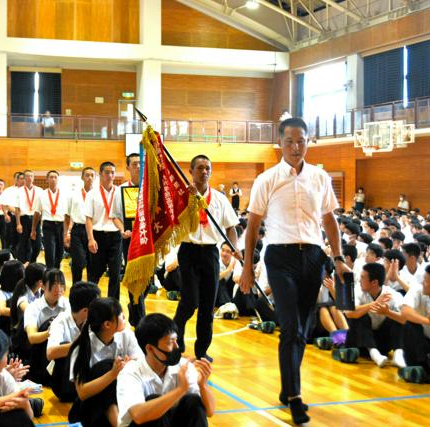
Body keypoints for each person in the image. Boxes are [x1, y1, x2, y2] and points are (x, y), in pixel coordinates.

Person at [239, 117, 349, 425]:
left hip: (313, 257)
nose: (296, 147)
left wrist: (337, 258)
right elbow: (253, 226)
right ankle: (296, 396)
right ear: (280, 145)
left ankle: (287, 387)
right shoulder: (267, 179)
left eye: (301, 141)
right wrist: (248, 266)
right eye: (290, 142)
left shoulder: (319, 178)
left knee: (302, 327)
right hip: (279, 257)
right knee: (289, 326)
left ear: (308, 142)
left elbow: (329, 222)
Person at [172, 154, 239, 362]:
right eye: (199, 168)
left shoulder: (219, 199)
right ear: (191, 172)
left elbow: (231, 227)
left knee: (208, 307)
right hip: (189, 251)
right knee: (190, 301)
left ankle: (202, 351)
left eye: (207, 168)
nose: (204, 172)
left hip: (211, 253)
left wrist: (234, 248)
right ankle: (176, 335)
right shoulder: (183, 196)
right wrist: (189, 201)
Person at [116, 313, 214, 427]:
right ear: (150, 348)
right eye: (170, 342)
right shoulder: (130, 372)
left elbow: (210, 411)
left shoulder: (183, 367)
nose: (177, 347)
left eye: (176, 340)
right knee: (153, 401)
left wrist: (203, 386)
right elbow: (138, 415)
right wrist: (180, 390)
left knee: (193, 401)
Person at [68, 297, 143, 426]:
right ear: (107, 324)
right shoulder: (82, 347)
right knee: (103, 368)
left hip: (122, 400)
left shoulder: (127, 335)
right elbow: (82, 393)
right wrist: (113, 373)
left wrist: (129, 365)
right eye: (120, 314)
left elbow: (141, 364)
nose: (124, 317)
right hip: (91, 410)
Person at [344, 263, 406, 368]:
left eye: (363, 277)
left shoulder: (391, 294)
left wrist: (388, 313)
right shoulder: (357, 290)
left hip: (382, 343)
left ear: (374, 282)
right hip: (360, 343)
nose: (359, 280)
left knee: (396, 318)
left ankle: (398, 355)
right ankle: (374, 354)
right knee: (360, 316)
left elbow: (406, 319)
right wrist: (374, 304)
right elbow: (349, 313)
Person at [48, 281, 100, 402]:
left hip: (88, 375)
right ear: (86, 310)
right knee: (65, 346)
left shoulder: (95, 320)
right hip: (64, 381)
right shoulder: (61, 321)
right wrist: (81, 342)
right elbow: (50, 353)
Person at [111, 153, 147, 326]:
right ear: (128, 168)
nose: (138, 167)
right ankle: (141, 318)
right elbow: (115, 216)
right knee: (134, 278)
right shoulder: (121, 190)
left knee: (147, 280)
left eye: (140, 164)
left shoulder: (150, 188)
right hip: (129, 239)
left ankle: (134, 307)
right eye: (134, 164)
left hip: (148, 240)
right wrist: (122, 230)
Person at [24, 268, 70, 385]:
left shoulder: (67, 304)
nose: (59, 289)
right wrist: (51, 331)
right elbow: (32, 337)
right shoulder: (33, 307)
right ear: (42, 286)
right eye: (54, 284)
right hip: (41, 354)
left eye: (61, 284)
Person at [85, 161, 122, 300]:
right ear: (100, 174)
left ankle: (113, 304)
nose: (110, 175)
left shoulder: (119, 192)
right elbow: (88, 218)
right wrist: (90, 239)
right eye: (107, 172)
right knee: (95, 273)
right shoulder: (92, 194)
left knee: (115, 273)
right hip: (98, 236)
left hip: (115, 236)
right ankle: (90, 301)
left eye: (113, 172)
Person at [32, 170, 68, 269]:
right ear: (47, 180)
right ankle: (49, 272)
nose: (53, 179)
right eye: (51, 177)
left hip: (61, 225)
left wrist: (67, 231)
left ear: (58, 179)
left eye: (55, 177)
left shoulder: (65, 195)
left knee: (60, 252)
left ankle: (56, 270)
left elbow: (68, 214)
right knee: (50, 251)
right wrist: (33, 229)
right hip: (48, 225)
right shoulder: (41, 194)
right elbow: (37, 213)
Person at [65, 167, 94, 284]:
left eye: (92, 175)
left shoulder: (97, 194)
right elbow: (67, 216)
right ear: (82, 177)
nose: (90, 177)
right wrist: (66, 234)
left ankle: (91, 290)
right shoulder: (73, 194)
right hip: (78, 229)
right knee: (79, 261)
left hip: (92, 230)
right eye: (87, 175)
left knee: (92, 263)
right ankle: (76, 287)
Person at [16, 170, 43, 263]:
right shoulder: (19, 191)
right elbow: (17, 209)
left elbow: (42, 208)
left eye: (31, 176)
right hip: (24, 219)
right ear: (24, 178)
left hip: (35, 219)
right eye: (27, 176)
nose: (29, 178)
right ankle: (22, 264)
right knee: (23, 243)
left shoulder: (39, 190)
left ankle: (32, 261)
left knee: (37, 244)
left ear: (33, 178)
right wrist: (18, 223)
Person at [1, 171, 24, 254]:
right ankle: (10, 255)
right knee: (11, 237)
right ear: (15, 179)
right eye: (19, 178)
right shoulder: (9, 190)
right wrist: (7, 214)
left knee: (22, 238)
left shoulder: (26, 190)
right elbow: (5, 204)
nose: (21, 180)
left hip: (24, 217)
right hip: (13, 216)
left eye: (22, 178)